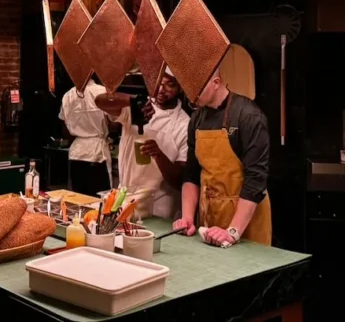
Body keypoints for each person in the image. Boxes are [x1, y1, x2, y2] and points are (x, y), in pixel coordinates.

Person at [173, 70, 272, 247]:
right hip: (211, 217)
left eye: (196, 89)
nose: (191, 96)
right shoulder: (197, 118)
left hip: (246, 222)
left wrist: (233, 232)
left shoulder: (249, 116)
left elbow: (256, 180)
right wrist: (187, 217)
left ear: (216, 82)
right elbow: (191, 173)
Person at [105, 69, 190, 220]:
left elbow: (180, 180)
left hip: (158, 205)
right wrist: (133, 100)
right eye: (159, 83)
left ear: (180, 88)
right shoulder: (138, 106)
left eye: (170, 85)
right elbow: (100, 101)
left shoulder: (184, 124)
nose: (162, 90)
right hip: (125, 197)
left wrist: (159, 155)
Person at [59, 77, 112, 195]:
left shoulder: (67, 96)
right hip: (96, 154)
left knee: (79, 199)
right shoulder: (103, 92)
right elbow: (114, 124)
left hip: (76, 153)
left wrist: (80, 133)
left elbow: (64, 129)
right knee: (99, 199)